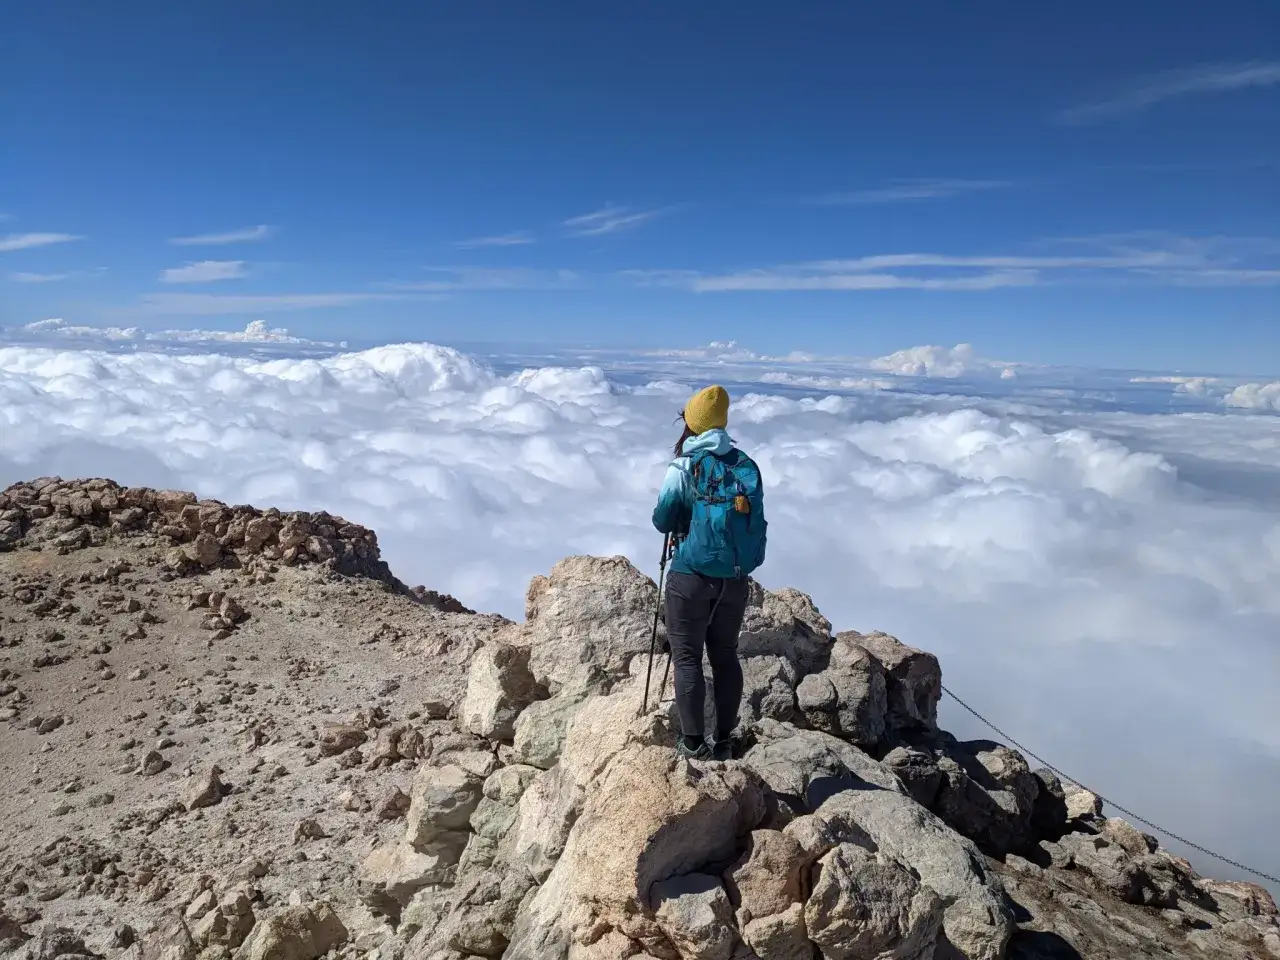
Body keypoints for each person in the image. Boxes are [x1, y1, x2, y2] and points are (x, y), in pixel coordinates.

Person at [652, 385, 767, 761]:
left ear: (692, 424)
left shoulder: (684, 466)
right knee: (725, 656)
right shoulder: (745, 465)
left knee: (687, 659)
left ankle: (692, 743)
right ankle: (724, 741)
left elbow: (662, 520)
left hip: (690, 577)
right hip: (733, 580)